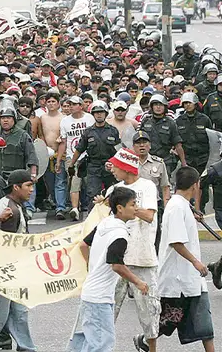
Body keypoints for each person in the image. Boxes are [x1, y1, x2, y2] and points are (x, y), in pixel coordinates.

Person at [71, 187, 149, 352]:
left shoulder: (105, 223)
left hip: (91, 294)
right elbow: (117, 265)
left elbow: (84, 244)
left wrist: (91, 266)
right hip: (99, 299)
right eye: (133, 204)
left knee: (90, 342)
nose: (137, 208)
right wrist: (138, 282)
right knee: (101, 345)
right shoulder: (120, 235)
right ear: (120, 208)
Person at [97, 149, 160, 352]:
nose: (112, 170)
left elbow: (150, 216)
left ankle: (152, 348)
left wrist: (128, 208)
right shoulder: (114, 189)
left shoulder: (148, 186)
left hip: (143, 257)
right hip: (117, 259)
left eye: (116, 166)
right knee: (108, 309)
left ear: (126, 167)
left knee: (149, 310)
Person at [153, 166, 215, 352]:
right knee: (167, 322)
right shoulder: (176, 207)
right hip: (178, 279)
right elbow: (176, 242)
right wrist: (196, 262)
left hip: (190, 278)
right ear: (195, 185)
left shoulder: (181, 205)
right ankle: (146, 341)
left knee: (204, 324)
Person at [0, 169, 36, 352]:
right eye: (28, 186)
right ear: (16, 187)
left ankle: (26, 348)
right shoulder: (10, 211)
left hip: (13, 270)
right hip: (5, 271)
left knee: (19, 312)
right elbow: (7, 245)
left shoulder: (13, 204)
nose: (31, 190)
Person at [71, 100, 120, 212]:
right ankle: (92, 223)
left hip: (110, 167)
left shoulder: (113, 131)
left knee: (113, 194)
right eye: (96, 112)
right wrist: (72, 165)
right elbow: (79, 149)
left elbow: (119, 151)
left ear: (106, 113)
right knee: (93, 195)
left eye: (101, 112)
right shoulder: (88, 132)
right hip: (93, 167)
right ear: (93, 114)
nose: (99, 114)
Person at [56, 95, 94, 221]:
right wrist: (58, 160)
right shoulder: (65, 121)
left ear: (81, 106)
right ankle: (74, 209)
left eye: (73, 104)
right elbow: (63, 142)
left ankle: (92, 208)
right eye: (69, 104)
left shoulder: (89, 118)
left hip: (89, 156)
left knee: (90, 184)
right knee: (74, 183)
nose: (71, 107)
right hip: (71, 156)